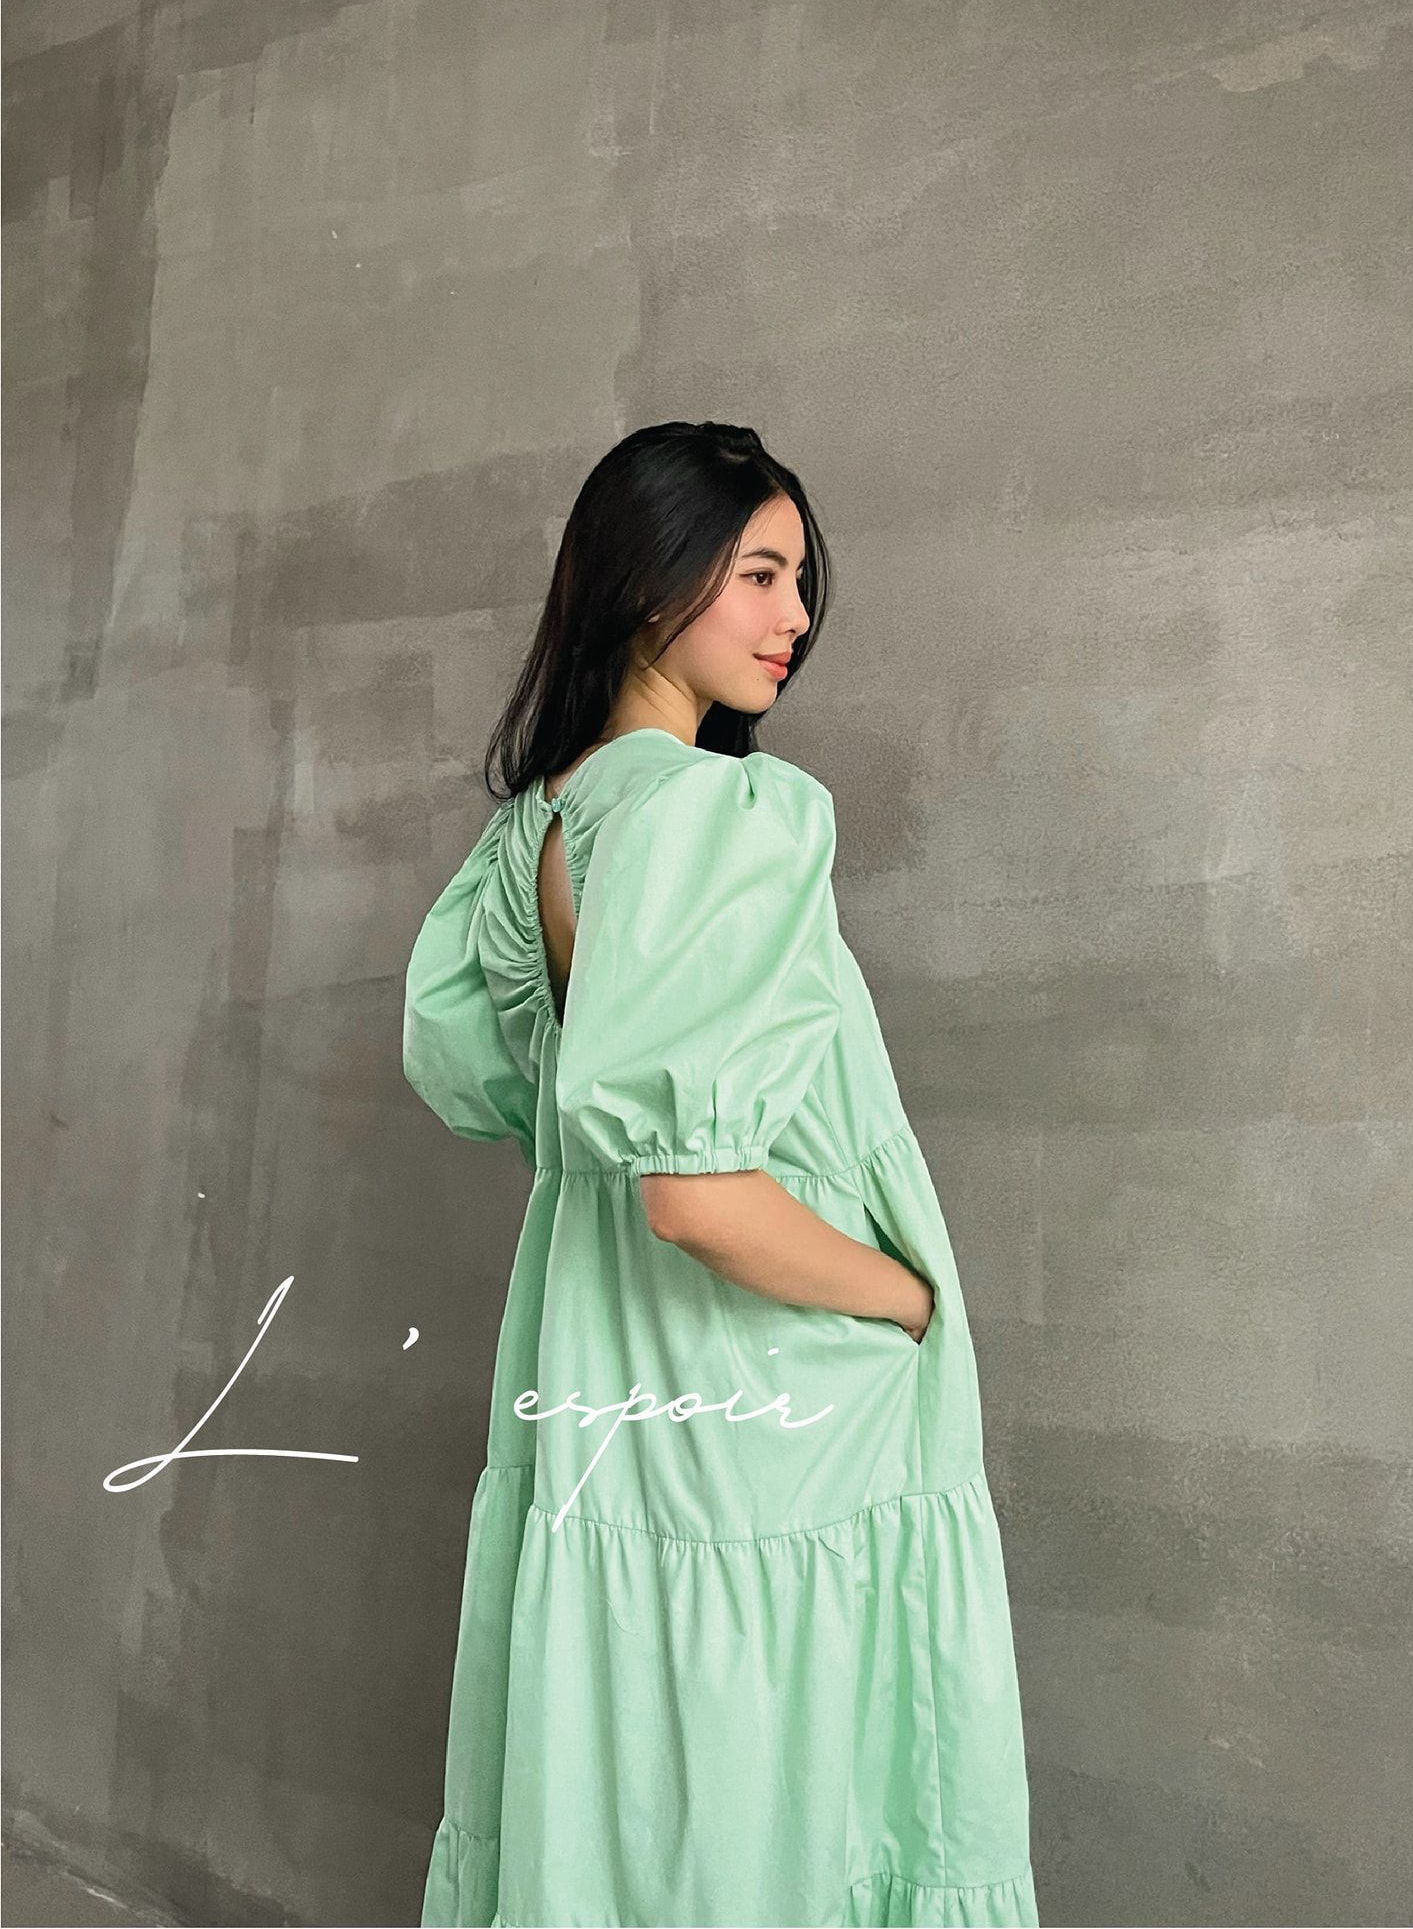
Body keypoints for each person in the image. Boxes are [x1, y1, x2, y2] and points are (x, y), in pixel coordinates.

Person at [403, 421, 1039, 1928]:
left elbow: (505, 1089)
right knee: (784, 1795)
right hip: (766, 1402)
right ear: (650, 580)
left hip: (604, 1373)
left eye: (799, 580)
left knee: (650, 1788)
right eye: (757, 574)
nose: (794, 616)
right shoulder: (714, 814)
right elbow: (693, 1195)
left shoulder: (544, 830)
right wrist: (907, 1302)